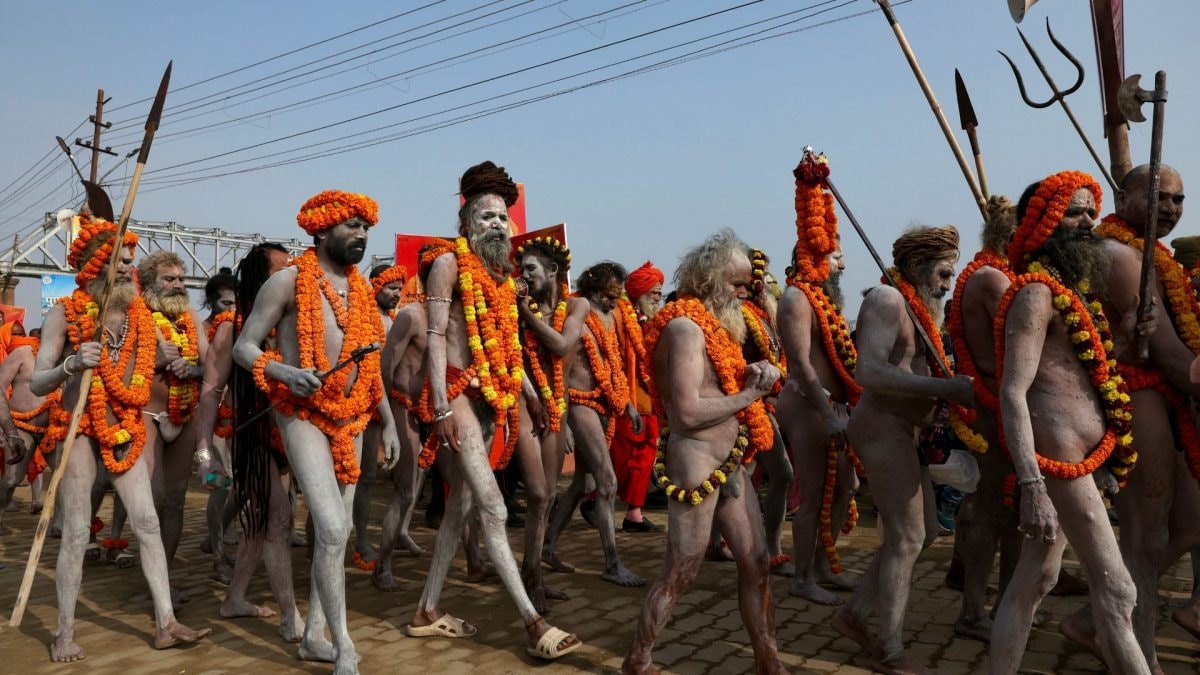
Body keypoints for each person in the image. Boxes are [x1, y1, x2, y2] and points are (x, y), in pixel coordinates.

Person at [409, 161, 579, 660]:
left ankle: (426, 608)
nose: (496, 226)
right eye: (485, 218)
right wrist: (440, 403)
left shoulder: (503, 277)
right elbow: (438, 336)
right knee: (493, 506)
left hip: (495, 396)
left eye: (503, 218)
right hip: (458, 393)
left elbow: (508, 347)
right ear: (464, 224)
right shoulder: (447, 264)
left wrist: (529, 392)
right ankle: (533, 622)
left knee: (459, 506)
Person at [988, 170, 1147, 674]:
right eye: (1073, 212)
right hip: (1058, 460)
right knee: (1118, 589)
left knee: (1035, 581)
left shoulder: (1071, 293)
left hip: (1084, 457)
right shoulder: (1035, 292)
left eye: (1089, 212)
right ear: (1045, 223)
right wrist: (1033, 484)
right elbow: (1013, 392)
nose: (1086, 223)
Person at [234, 190, 399, 672]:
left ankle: (313, 634)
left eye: (365, 228)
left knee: (338, 533)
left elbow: (370, 368)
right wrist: (284, 372)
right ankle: (342, 644)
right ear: (321, 231)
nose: (361, 235)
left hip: (353, 416)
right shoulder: (286, 282)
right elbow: (245, 348)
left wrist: (387, 421)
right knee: (330, 526)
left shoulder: (363, 291)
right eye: (350, 226)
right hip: (301, 413)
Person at [33, 218, 211, 662]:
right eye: (122, 262)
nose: (131, 270)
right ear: (95, 267)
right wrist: (70, 367)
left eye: (133, 262)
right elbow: (38, 382)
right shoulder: (65, 313)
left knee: (147, 522)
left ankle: (166, 622)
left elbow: (156, 363)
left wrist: (175, 361)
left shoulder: (140, 318)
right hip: (77, 429)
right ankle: (64, 632)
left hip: (124, 426)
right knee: (75, 531)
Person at [1055, 165, 1200, 670]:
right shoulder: (1117, 255)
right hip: (1135, 398)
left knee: (1188, 525)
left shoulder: (1152, 257)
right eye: (1160, 196)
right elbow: (1172, 360)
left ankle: (1094, 623)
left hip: (1164, 398)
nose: (1171, 209)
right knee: (1146, 533)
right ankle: (1139, 658)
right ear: (1124, 196)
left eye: (1179, 200)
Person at [622, 228, 784, 675]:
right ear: (711, 281)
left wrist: (746, 376)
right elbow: (690, 412)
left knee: (755, 562)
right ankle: (639, 659)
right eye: (736, 285)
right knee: (683, 568)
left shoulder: (712, 325)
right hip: (696, 459)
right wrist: (753, 392)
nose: (744, 293)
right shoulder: (684, 328)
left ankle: (767, 660)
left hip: (729, 458)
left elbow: (715, 384)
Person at [832, 224, 973, 674]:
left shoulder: (921, 309)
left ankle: (854, 614)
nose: (948, 285)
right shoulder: (885, 300)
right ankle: (890, 652)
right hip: (881, 427)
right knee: (909, 537)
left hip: (907, 429)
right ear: (916, 267)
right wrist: (944, 386)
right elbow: (868, 372)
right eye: (944, 274)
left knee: (925, 532)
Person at [193, 242, 305, 643]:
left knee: (259, 524)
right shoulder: (230, 328)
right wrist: (205, 454)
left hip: (291, 436)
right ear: (260, 280)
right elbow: (210, 392)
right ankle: (291, 616)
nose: (291, 274)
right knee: (276, 518)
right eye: (281, 269)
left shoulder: (299, 320)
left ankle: (235, 598)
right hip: (252, 438)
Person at [776, 154, 861, 605]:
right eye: (838, 257)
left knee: (844, 487)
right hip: (808, 403)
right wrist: (828, 412)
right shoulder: (795, 298)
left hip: (832, 406)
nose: (843, 265)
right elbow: (803, 366)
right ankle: (803, 576)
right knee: (813, 493)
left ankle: (827, 565)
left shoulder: (824, 300)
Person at [944, 194, 1021, 641]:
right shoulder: (992, 279)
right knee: (993, 510)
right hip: (993, 409)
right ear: (1014, 237)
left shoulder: (997, 274)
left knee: (1003, 512)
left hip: (1002, 407)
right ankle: (975, 612)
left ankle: (1008, 605)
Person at [542, 260, 645, 587]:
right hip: (580, 403)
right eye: (609, 295)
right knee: (607, 481)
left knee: (584, 485)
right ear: (593, 290)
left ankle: (547, 546)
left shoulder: (608, 318)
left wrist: (628, 404)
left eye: (618, 295)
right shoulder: (576, 315)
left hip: (605, 404)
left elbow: (612, 364)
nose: (615, 302)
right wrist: (565, 419)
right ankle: (612, 562)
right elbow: (560, 369)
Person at [513, 235, 588, 611]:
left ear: (554, 271)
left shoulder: (578, 305)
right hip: (526, 404)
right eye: (521, 269)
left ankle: (533, 577)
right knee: (539, 494)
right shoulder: (514, 309)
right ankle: (523, 576)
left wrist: (525, 313)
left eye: (530, 269)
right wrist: (521, 312)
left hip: (557, 404)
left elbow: (561, 346)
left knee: (548, 497)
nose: (523, 276)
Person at [375, 255, 435, 592]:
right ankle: (382, 566)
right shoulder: (411, 316)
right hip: (402, 407)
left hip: (430, 412)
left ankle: (402, 534)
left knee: (421, 482)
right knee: (404, 489)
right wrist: (387, 420)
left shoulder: (449, 319)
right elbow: (385, 368)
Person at [349, 262, 407, 571]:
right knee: (356, 478)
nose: (396, 294)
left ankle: (372, 537)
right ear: (375, 286)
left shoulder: (395, 320)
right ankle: (356, 540)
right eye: (390, 288)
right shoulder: (362, 317)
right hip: (359, 406)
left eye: (399, 289)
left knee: (373, 478)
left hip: (385, 407)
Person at [740, 247, 794, 575]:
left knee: (741, 478)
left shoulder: (763, 316)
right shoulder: (740, 315)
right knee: (776, 475)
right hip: (746, 407)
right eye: (764, 278)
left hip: (763, 405)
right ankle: (769, 551)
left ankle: (723, 542)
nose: (769, 284)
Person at [610, 261, 664, 532]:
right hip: (626, 398)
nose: (657, 297)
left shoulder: (653, 320)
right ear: (640, 292)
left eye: (659, 293)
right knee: (622, 457)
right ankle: (593, 498)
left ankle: (634, 513)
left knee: (643, 458)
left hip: (649, 399)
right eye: (654, 292)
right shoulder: (621, 315)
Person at [0, 328, 57, 531]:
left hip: (55, 427)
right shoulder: (23, 354)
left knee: (66, 476)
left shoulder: (66, 358)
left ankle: (59, 521)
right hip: (20, 427)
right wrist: (7, 430)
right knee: (11, 479)